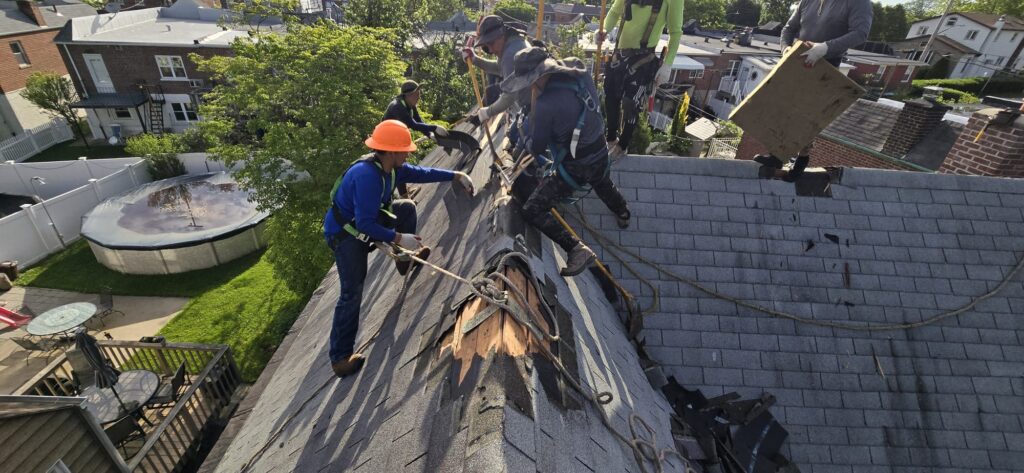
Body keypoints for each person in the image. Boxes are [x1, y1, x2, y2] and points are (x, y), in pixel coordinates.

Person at [323, 120, 474, 378]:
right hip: (344, 235)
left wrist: (455, 175)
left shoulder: (390, 168)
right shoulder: (367, 176)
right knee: (352, 290)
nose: (408, 153)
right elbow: (365, 224)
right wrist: (399, 237)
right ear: (391, 151)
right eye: (404, 150)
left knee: (405, 208)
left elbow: (421, 173)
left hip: (364, 221)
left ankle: (404, 262)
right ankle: (340, 358)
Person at [501, 47, 631, 277]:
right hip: (600, 150)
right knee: (602, 183)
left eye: (530, 82)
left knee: (533, 208)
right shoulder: (577, 68)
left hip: (577, 166)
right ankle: (622, 212)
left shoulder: (546, 105)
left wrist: (532, 113)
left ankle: (576, 249)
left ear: (539, 76)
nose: (529, 87)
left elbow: (537, 147)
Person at [766, 0, 872, 180]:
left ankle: (799, 165)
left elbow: (860, 33)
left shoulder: (859, 3)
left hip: (826, 66)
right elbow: (788, 28)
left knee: (809, 116)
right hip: (797, 61)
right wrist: (786, 50)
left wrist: (826, 47)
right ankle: (776, 157)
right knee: (787, 109)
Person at [599, 0, 684, 159]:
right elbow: (615, 12)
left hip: (644, 59)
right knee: (611, 96)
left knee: (631, 102)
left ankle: (622, 145)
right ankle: (610, 138)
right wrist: (605, 29)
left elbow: (676, 32)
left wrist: (667, 65)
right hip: (621, 54)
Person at [461, 15, 530, 127]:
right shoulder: (513, 42)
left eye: (491, 43)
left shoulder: (510, 54)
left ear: (501, 35)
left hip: (532, 109)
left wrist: (486, 112)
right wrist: (475, 59)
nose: (491, 50)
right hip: (530, 103)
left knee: (517, 140)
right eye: (487, 45)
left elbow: (509, 96)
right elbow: (500, 68)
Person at [383, 80, 448, 197]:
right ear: (408, 95)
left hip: (396, 139)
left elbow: (419, 121)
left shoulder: (410, 105)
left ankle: (403, 193)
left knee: (400, 164)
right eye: (417, 95)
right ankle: (402, 196)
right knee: (396, 167)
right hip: (386, 142)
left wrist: (429, 134)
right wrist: (434, 127)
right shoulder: (397, 107)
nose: (419, 97)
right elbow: (412, 124)